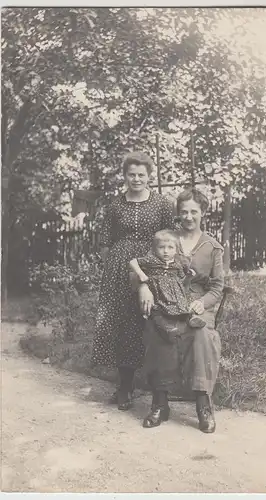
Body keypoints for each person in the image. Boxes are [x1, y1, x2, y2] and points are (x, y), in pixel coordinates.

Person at [91, 151, 174, 411]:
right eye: (131, 174)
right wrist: (115, 262)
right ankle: (125, 387)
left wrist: (161, 266)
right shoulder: (116, 205)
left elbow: (170, 238)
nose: (136, 179)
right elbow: (105, 241)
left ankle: (157, 386)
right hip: (119, 270)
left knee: (151, 321)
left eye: (141, 174)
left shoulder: (162, 204)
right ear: (125, 176)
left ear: (150, 176)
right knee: (122, 322)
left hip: (152, 266)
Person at [137, 187, 224, 433]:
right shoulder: (165, 239)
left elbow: (217, 287)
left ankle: (203, 404)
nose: (188, 217)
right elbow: (144, 268)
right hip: (164, 301)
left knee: (200, 334)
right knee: (160, 331)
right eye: (183, 212)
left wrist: (203, 302)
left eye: (193, 212)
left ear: (203, 213)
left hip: (196, 303)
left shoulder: (212, 247)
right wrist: (144, 287)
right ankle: (160, 401)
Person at [129, 229, 208, 344]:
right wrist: (141, 274)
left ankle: (191, 319)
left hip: (174, 295)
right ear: (155, 249)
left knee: (183, 304)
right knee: (156, 310)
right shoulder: (152, 260)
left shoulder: (177, 265)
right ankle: (165, 329)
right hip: (157, 293)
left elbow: (183, 283)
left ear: (176, 250)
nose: (166, 251)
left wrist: (189, 277)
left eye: (170, 247)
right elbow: (132, 262)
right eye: (162, 247)